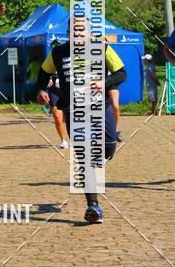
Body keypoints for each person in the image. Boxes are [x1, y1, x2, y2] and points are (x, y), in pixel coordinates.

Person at [36, 21, 126, 225]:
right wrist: (41, 89)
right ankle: (93, 205)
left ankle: (103, 155)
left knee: (109, 146)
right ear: (68, 33)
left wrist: (105, 83)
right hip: (74, 110)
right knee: (84, 158)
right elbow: (43, 73)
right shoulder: (58, 53)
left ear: (88, 32)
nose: (77, 34)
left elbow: (122, 72)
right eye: (73, 31)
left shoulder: (101, 47)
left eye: (81, 30)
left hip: (100, 107)